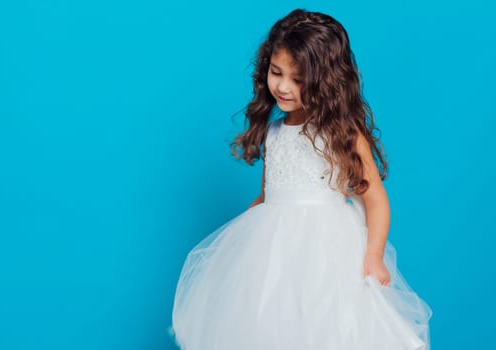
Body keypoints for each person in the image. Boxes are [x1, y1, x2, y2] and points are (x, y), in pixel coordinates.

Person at [168, 8, 432, 350]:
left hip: (328, 253)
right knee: (269, 329)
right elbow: (266, 196)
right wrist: (236, 250)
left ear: (325, 81)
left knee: (324, 329)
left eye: (298, 80)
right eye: (276, 73)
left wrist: (374, 256)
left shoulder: (342, 134)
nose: (283, 87)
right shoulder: (274, 133)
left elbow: (375, 199)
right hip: (272, 252)